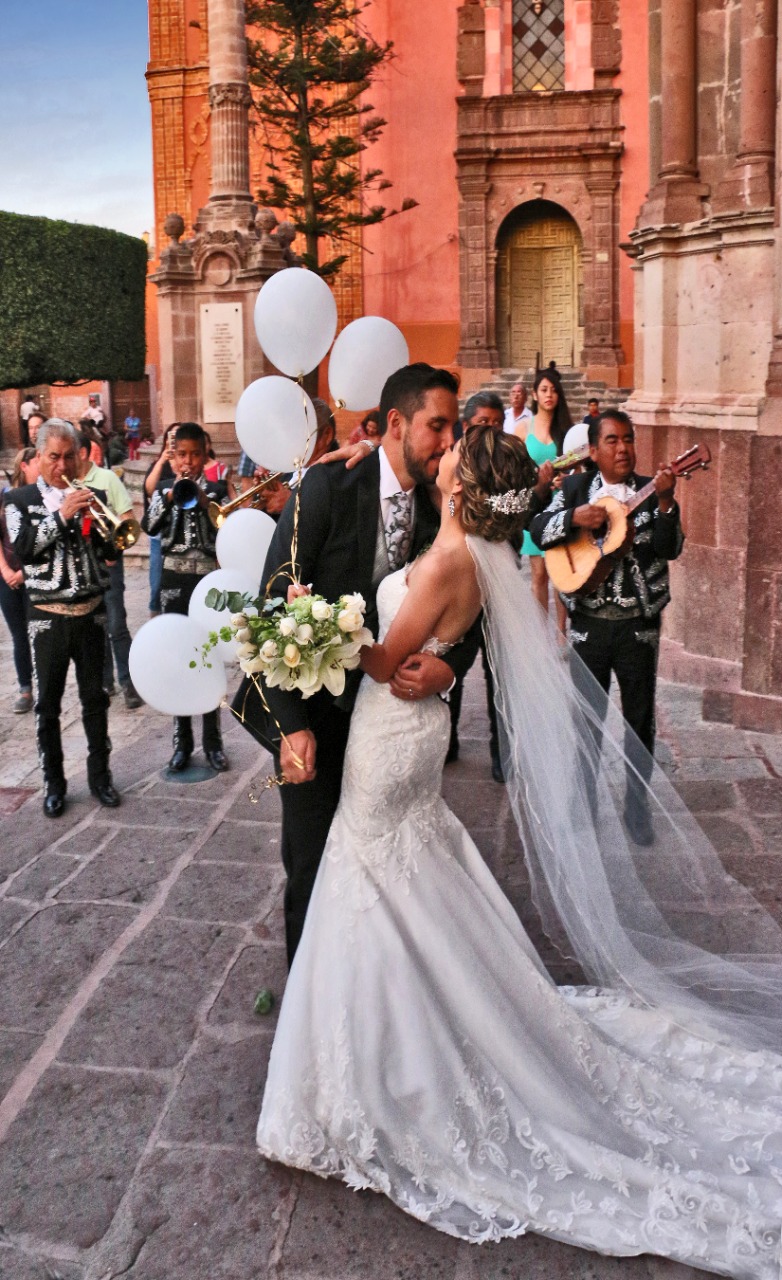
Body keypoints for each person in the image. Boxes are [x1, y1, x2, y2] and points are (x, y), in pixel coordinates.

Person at [257, 424, 782, 1278]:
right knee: (406, 871)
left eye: (451, 464)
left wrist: (310, 631)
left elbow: (387, 659)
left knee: (372, 868)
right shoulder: (474, 556)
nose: (440, 465)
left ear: (465, 491)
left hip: (389, 736)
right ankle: (424, 1015)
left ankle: (382, 1070)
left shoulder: (442, 565)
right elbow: (438, 645)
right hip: (415, 736)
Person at [244, 363, 483, 965]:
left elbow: (476, 613)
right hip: (316, 716)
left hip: (388, 727)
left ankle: (375, 982)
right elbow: (273, 601)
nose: (449, 442)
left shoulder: (444, 509)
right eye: (438, 426)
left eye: (453, 428)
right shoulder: (326, 488)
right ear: (397, 423)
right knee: (311, 861)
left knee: (386, 869)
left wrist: (450, 669)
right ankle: (307, 991)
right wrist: (291, 727)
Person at [529, 408, 683, 845]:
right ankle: (583, 806)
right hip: (588, 625)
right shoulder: (576, 487)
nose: (623, 448)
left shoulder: (653, 492)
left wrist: (668, 503)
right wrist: (575, 519)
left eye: (628, 439)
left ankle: (637, 810)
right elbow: (538, 528)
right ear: (592, 450)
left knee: (639, 721)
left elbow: (671, 548)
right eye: (612, 441)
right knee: (585, 721)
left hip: (637, 626)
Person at [4, 419, 120, 817]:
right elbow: (22, 550)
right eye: (53, 457)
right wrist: (62, 517)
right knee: (48, 706)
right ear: (39, 457)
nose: (62, 465)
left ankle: (100, 778)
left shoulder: (95, 493)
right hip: (47, 617)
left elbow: (111, 549)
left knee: (96, 700)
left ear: (78, 457)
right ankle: (54, 784)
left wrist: (107, 530)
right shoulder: (18, 500)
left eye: (69, 456)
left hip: (91, 614)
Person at [445, 391, 547, 782]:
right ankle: (447, 741)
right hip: (460, 584)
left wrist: (536, 493)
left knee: (499, 670)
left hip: (500, 579)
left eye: (496, 424)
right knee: (450, 665)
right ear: (467, 425)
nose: (490, 430)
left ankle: (502, 752)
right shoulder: (451, 464)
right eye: (483, 424)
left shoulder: (506, 462)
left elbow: (521, 512)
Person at [142, 422, 230, 773]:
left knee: (209, 660)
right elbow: (149, 528)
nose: (189, 462)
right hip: (174, 581)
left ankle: (214, 742)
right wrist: (167, 497)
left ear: (204, 455)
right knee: (178, 661)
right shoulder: (163, 488)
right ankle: (182, 742)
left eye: (195, 454)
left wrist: (209, 501)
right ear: (173, 457)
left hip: (208, 582)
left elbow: (226, 529)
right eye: (182, 455)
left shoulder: (220, 489)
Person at [76, 431, 143, 709]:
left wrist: (116, 544)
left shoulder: (107, 479)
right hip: (81, 565)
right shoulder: (66, 485)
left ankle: (128, 682)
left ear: (81, 452)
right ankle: (105, 681)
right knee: (95, 624)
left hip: (108, 561)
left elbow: (127, 519)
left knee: (116, 622)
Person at [517, 363, 572, 638]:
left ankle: (561, 631)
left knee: (560, 574)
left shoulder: (567, 429)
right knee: (538, 574)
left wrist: (566, 480)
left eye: (553, 390)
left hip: (560, 505)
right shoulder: (522, 428)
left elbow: (577, 468)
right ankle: (540, 634)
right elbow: (514, 469)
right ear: (535, 395)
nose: (549, 394)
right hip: (534, 506)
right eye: (544, 389)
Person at [0, 448, 37, 713]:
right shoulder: (5, 497)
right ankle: (26, 688)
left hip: (34, 574)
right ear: (24, 466)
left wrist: (25, 572)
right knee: (18, 635)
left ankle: (45, 684)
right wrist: (5, 571)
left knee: (40, 633)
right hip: (6, 577)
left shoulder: (42, 498)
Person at [143, 426, 178, 616]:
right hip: (159, 536)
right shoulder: (160, 465)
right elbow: (149, 489)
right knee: (156, 585)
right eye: (171, 437)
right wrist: (163, 459)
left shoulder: (187, 463)